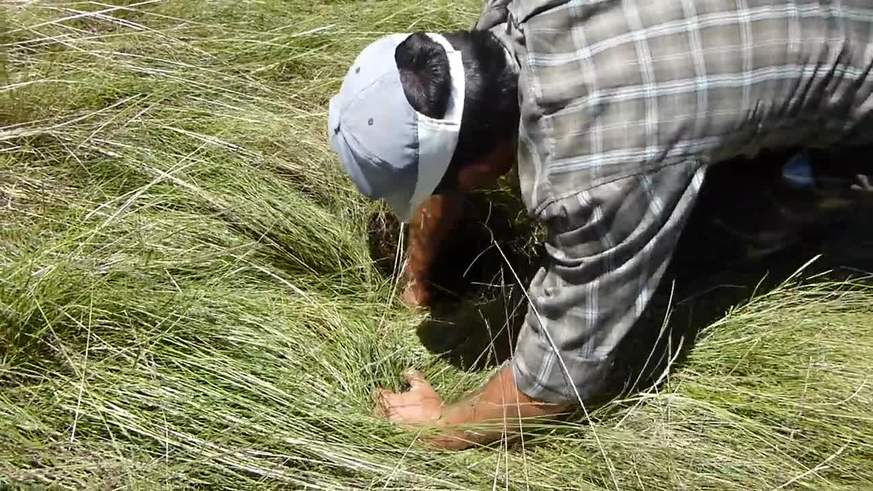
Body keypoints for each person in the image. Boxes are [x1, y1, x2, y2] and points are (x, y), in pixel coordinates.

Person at [327, 0, 873, 449]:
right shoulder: (512, 17)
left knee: (699, 254)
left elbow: (557, 380)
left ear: (476, 172)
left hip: (861, 90)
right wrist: (418, 282)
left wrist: (443, 429)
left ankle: (808, 185)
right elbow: (454, 146)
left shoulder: (592, 181)